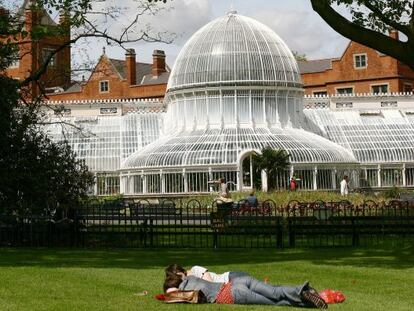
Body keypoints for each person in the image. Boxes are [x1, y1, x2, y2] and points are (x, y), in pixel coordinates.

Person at [163, 272, 327, 308]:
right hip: (237, 282)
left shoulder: (185, 292)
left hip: (232, 294)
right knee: (274, 292)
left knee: (274, 301)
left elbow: (170, 296)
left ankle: (307, 301)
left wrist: (168, 294)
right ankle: (303, 292)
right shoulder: (190, 278)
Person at [165, 264, 248, 283]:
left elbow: (209, 282)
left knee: (256, 286)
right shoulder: (185, 280)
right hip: (229, 282)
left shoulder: (195, 269)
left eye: (177, 275)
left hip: (229, 277)